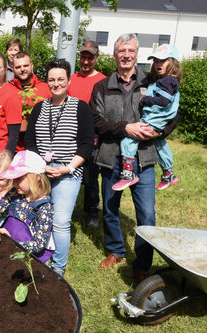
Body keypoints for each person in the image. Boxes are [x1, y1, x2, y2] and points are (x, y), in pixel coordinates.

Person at [90, 33, 181, 284]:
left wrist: (161, 131)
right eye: (121, 51)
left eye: (130, 50)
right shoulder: (102, 86)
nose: (126, 55)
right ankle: (116, 251)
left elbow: (175, 113)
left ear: (137, 54)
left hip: (144, 158)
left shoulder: (153, 81)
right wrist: (126, 129)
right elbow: (96, 122)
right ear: (115, 55)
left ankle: (142, 264)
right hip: (111, 157)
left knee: (147, 214)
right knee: (110, 208)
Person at [25, 59, 94, 276]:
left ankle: (58, 268)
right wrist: (41, 166)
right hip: (41, 171)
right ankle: (40, 257)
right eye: (52, 79)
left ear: (68, 80)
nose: (56, 84)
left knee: (61, 221)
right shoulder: (39, 108)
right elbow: (30, 141)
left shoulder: (80, 107)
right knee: (37, 216)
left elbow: (86, 142)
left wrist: (67, 168)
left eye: (60, 79)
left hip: (68, 172)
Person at [112, 44, 181, 192]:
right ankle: (168, 173)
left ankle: (128, 173)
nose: (158, 64)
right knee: (160, 144)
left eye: (163, 61)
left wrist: (145, 100)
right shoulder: (168, 80)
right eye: (156, 61)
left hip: (154, 118)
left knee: (128, 140)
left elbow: (164, 101)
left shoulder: (167, 81)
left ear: (173, 62)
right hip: (159, 121)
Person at [0, 150, 55, 263]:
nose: (14, 183)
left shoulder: (44, 207)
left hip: (32, 259)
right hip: (11, 252)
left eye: (19, 179)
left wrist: (12, 241)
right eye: (13, 178)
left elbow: (38, 244)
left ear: (37, 178)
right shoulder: (14, 194)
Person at [67, 40, 107, 228]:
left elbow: (105, 112)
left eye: (90, 58)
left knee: (91, 176)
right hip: (70, 135)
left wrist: (99, 135)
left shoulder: (103, 81)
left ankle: (92, 210)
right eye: (83, 57)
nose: (86, 61)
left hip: (92, 136)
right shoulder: (71, 79)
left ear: (96, 58)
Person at [9, 52, 51, 151]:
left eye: (26, 65)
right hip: (14, 148)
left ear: (32, 65)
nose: (22, 69)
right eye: (18, 67)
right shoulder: (7, 89)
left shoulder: (45, 88)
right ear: (13, 68)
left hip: (40, 147)